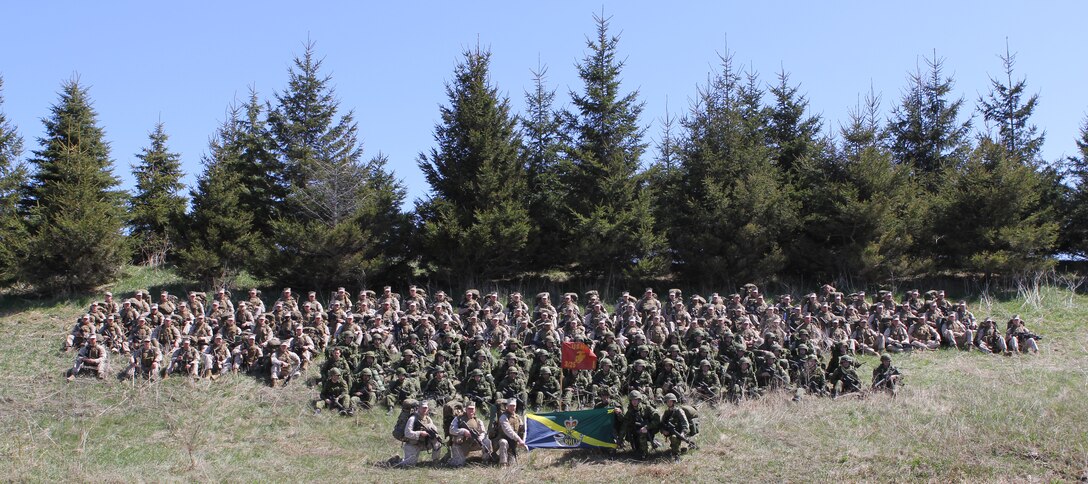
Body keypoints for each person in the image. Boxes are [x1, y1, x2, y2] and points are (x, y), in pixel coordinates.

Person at [399, 400, 442, 467]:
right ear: (418, 408)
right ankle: (396, 460)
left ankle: (435, 462)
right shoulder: (413, 418)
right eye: (423, 407)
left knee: (437, 442)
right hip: (413, 444)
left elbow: (434, 429)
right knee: (409, 465)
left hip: (424, 443)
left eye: (426, 408)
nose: (424, 409)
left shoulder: (428, 419)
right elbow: (407, 433)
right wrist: (420, 433)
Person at [448, 401, 491, 467]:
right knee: (459, 464)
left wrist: (481, 437)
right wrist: (463, 431)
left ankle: (485, 460)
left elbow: (483, 432)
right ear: (465, 409)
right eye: (469, 408)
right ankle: (450, 459)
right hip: (461, 444)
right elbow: (451, 430)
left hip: (474, 443)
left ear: (475, 410)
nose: (471, 410)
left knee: (487, 441)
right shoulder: (458, 418)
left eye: (472, 409)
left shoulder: (478, 420)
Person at [623, 390, 659, 460]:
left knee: (642, 435)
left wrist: (647, 427)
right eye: (632, 400)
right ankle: (640, 449)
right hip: (636, 431)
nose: (634, 401)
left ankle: (645, 454)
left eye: (636, 399)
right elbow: (625, 424)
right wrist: (620, 439)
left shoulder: (647, 408)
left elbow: (657, 419)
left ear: (639, 400)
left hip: (648, 430)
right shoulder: (630, 411)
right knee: (636, 448)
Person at [495, 398, 528, 466]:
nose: (512, 408)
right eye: (510, 406)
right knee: (503, 442)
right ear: (507, 406)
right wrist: (519, 439)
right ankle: (502, 464)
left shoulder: (517, 417)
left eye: (514, 406)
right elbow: (508, 431)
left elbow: (521, 428)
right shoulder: (503, 417)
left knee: (512, 464)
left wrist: (527, 425)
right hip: (503, 441)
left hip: (513, 442)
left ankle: (506, 456)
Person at [659, 393, 690, 460]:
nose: (669, 403)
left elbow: (685, 423)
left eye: (670, 401)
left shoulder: (679, 411)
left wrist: (683, 432)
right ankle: (675, 450)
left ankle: (676, 456)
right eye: (667, 401)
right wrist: (663, 431)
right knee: (673, 437)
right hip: (670, 431)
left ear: (674, 402)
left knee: (674, 437)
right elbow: (661, 424)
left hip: (679, 432)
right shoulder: (666, 412)